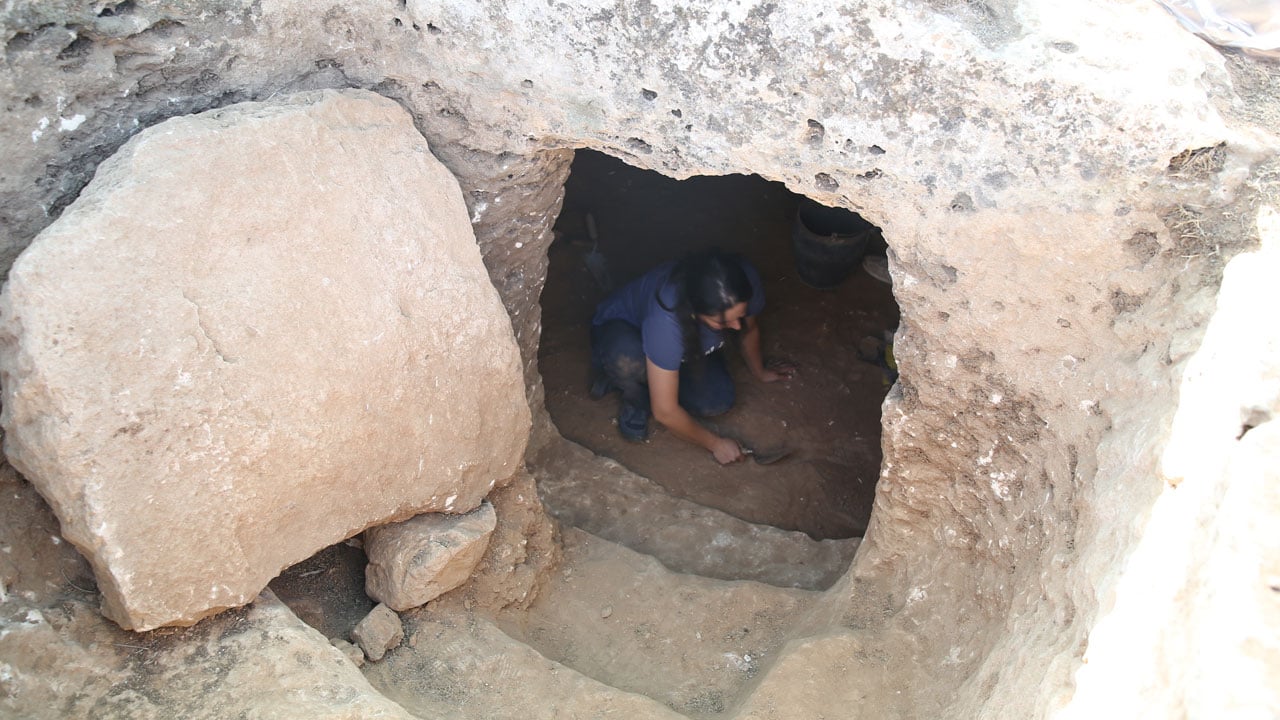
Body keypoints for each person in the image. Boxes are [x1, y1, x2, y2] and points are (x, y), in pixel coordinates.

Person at [588, 248, 794, 464]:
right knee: (627, 362)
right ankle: (634, 397)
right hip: (627, 331)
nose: (735, 327)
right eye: (723, 322)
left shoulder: (740, 282)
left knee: (716, 401)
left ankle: (664, 376)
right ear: (694, 311)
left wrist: (760, 371)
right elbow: (665, 412)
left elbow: (748, 330)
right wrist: (716, 444)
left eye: (739, 316)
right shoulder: (665, 321)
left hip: (682, 343)